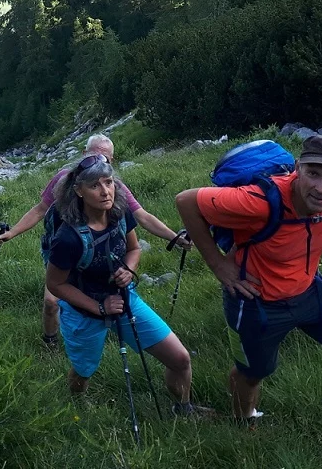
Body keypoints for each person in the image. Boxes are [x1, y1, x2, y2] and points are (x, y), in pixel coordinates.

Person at [175, 135, 322, 445]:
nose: (321, 188)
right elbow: (186, 201)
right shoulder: (256, 200)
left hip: (309, 290)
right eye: (313, 173)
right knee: (252, 373)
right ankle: (243, 423)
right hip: (254, 299)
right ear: (297, 169)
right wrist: (217, 264)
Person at [0, 133, 190, 349]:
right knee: (51, 301)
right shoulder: (63, 180)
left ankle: (98, 331)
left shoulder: (114, 188)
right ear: (83, 155)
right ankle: (50, 341)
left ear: (111, 162)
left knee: (100, 292)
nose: (98, 163)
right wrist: (11, 233)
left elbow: (142, 217)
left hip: (99, 252)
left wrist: (174, 237)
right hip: (62, 250)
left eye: (104, 158)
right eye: (93, 155)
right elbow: (40, 209)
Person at [44, 155, 207, 415]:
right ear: (78, 191)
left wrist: (129, 270)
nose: (105, 191)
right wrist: (99, 307)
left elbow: (133, 249)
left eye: (108, 182)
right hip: (84, 312)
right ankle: (77, 404)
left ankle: (184, 409)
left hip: (125, 299)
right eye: (94, 185)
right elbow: (55, 284)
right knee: (84, 371)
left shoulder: (119, 214)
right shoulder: (68, 238)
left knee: (180, 359)